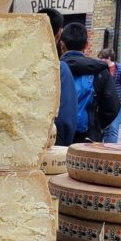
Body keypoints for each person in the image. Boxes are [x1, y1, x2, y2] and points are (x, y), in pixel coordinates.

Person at [59, 22, 120, 143]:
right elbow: (112, 107)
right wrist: (95, 124)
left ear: (62, 44)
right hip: (88, 137)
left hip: (57, 136)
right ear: (86, 45)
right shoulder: (100, 71)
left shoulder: (53, 69)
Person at [38, 8, 77, 146]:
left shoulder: (13, 63)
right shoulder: (59, 69)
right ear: (59, 33)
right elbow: (65, 120)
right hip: (48, 147)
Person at [98, 48, 121, 143]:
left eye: (101, 58)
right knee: (103, 128)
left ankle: (110, 149)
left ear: (108, 58)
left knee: (113, 128)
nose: (100, 60)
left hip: (117, 103)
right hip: (103, 103)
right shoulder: (101, 69)